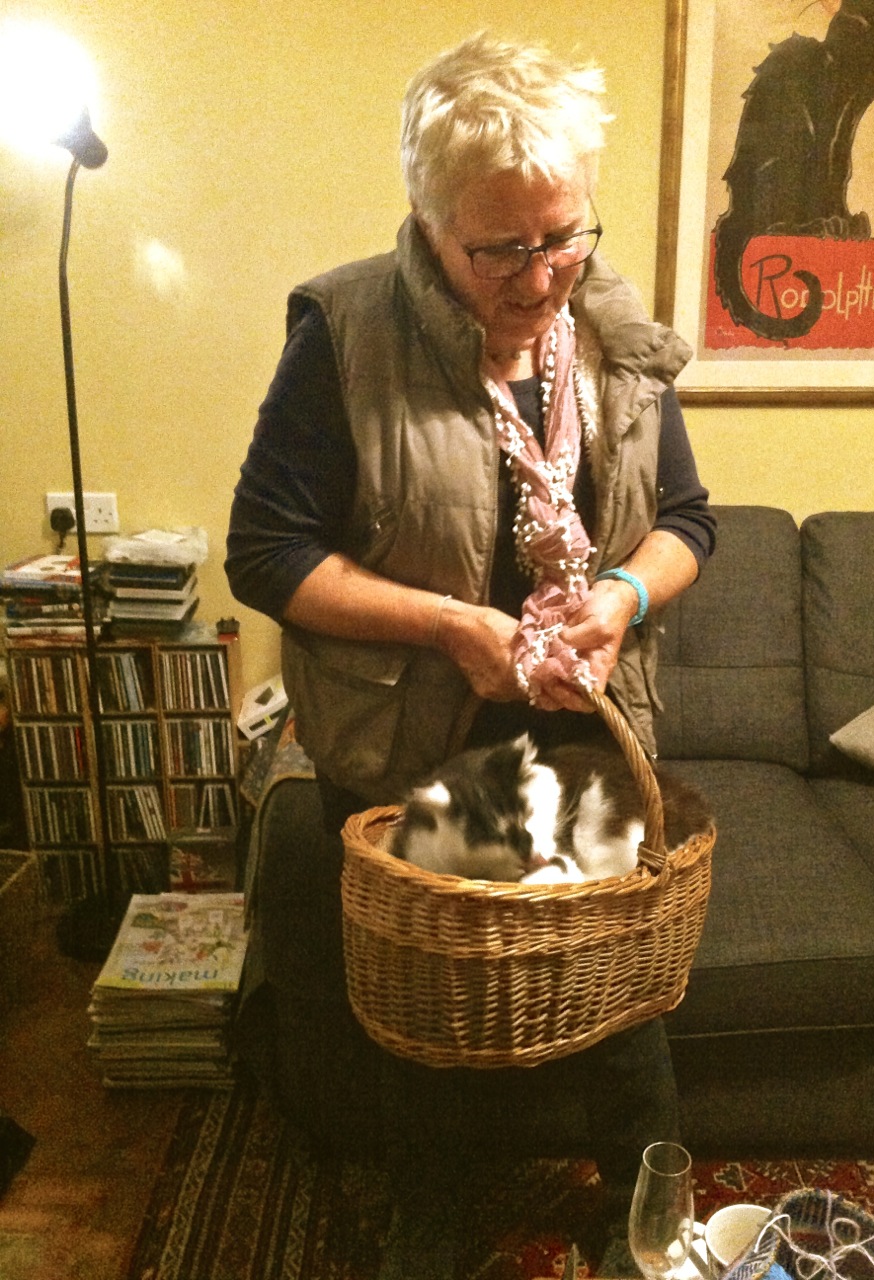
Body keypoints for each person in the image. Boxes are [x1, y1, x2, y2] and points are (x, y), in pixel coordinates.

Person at [226, 31, 716, 1279]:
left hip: (580, 733)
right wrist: (452, 627)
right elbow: (266, 554)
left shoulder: (613, 333)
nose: (542, 277)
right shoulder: (344, 332)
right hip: (416, 740)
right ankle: (433, 1227)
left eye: (563, 236)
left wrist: (620, 594)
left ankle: (641, 1222)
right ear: (428, 221)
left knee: (616, 998)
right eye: (500, 248)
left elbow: (686, 522)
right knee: (428, 1017)